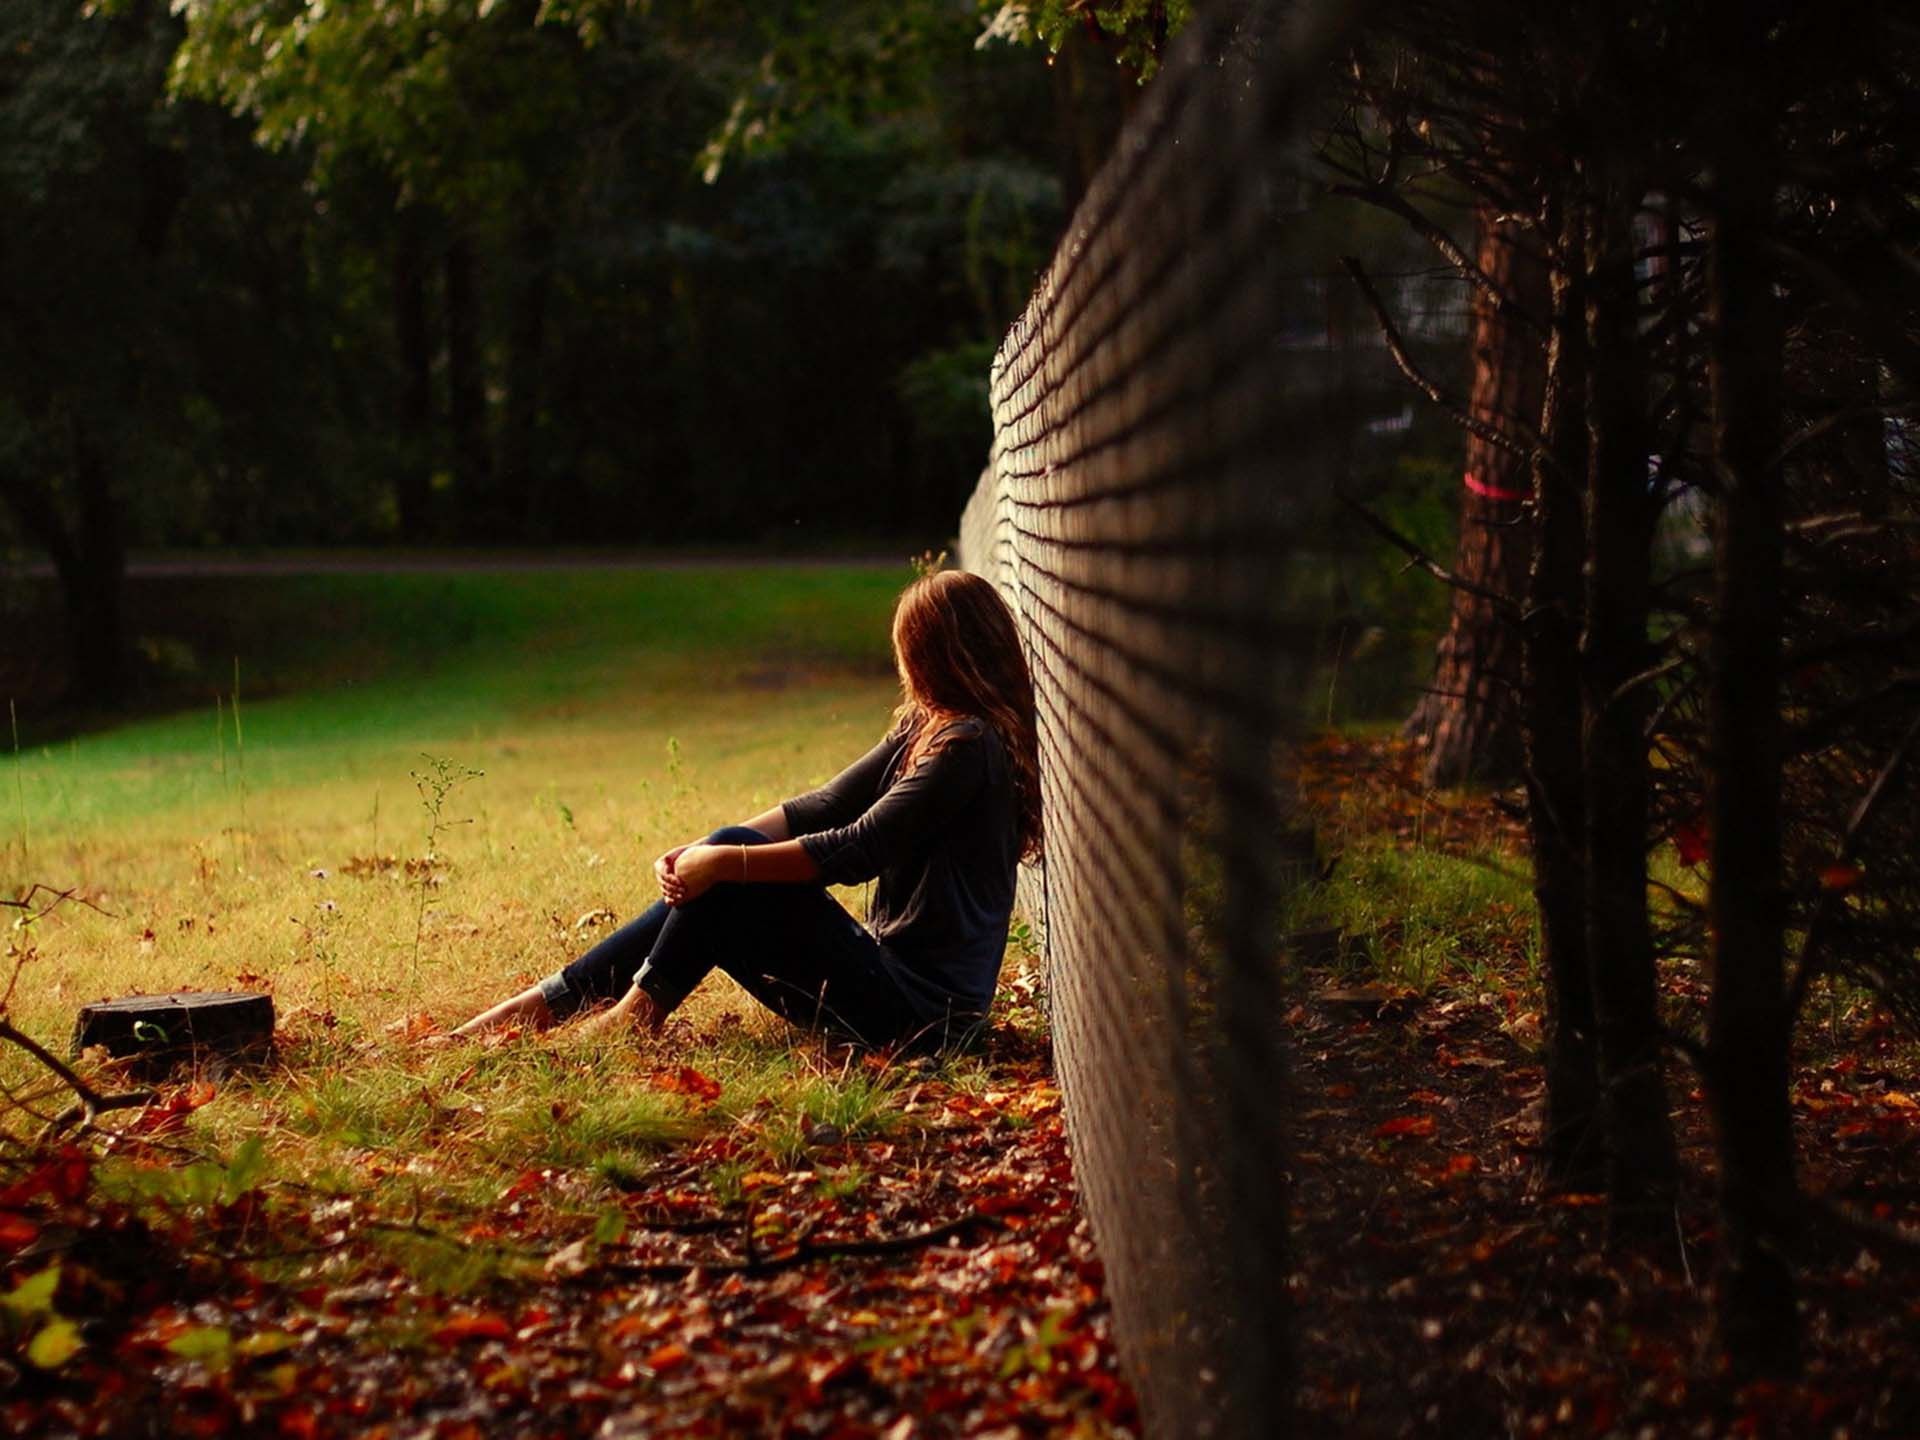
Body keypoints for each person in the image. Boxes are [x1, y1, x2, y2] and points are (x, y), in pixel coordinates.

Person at [446, 569, 1043, 1051]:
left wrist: (725, 861)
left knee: (733, 874)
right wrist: (706, 852)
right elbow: (827, 804)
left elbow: (858, 849)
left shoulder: (968, 747)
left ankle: (629, 1016)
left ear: (934, 657)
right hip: (890, 981)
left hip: (925, 1018)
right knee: (730, 862)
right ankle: (545, 1004)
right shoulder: (930, 726)